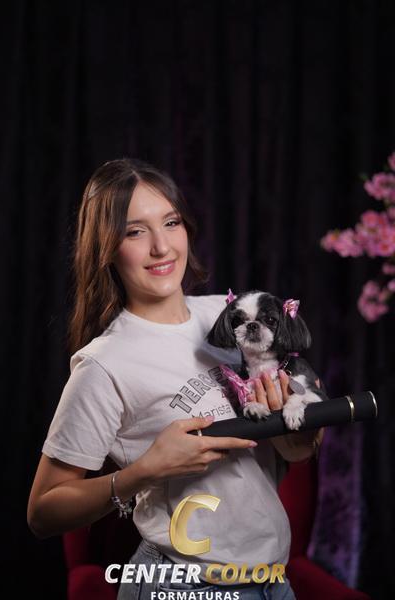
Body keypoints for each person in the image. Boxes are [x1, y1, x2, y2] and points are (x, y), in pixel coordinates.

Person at [27, 158, 323, 600]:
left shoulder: (229, 319)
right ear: (106, 247)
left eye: (171, 222)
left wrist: (295, 433)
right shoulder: (103, 365)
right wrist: (145, 470)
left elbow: (297, 450)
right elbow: (43, 512)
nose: (161, 247)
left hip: (270, 580)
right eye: (135, 231)